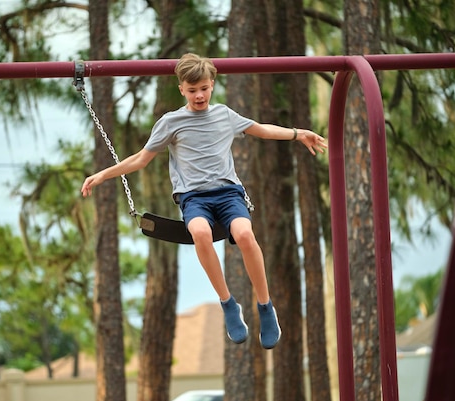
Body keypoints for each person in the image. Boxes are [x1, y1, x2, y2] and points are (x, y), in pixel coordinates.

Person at [81, 53, 327, 349]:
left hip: (228, 194)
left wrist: (298, 134)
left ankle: (265, 306)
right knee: (200, 232)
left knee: (245, 234)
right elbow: (141, 159)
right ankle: (228, 304)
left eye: (205, 88)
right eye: (193, 89)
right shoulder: (171, 122)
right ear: (182, 89)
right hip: (193, 198)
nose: (199, 95)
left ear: (212, 85)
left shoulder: (224, 115)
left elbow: (261, 129)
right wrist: (102, 175)